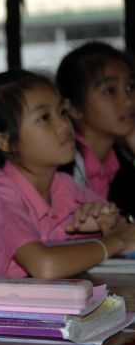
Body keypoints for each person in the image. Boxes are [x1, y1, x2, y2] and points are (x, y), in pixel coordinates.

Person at [0, 70, 135, 279]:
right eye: (44, 118)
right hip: (2, 310)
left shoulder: (64, 185)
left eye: (62, 112)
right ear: (6, 141)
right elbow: (45, 266)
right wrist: (115, 242)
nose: (63, 125)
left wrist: (111, 223)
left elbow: (127, 233)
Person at [55, 41, 135, 219]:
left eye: (130, 87)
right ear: (73, 108)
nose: (129, 100)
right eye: (110, 91)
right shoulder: (58, 168)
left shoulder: (123, 163)